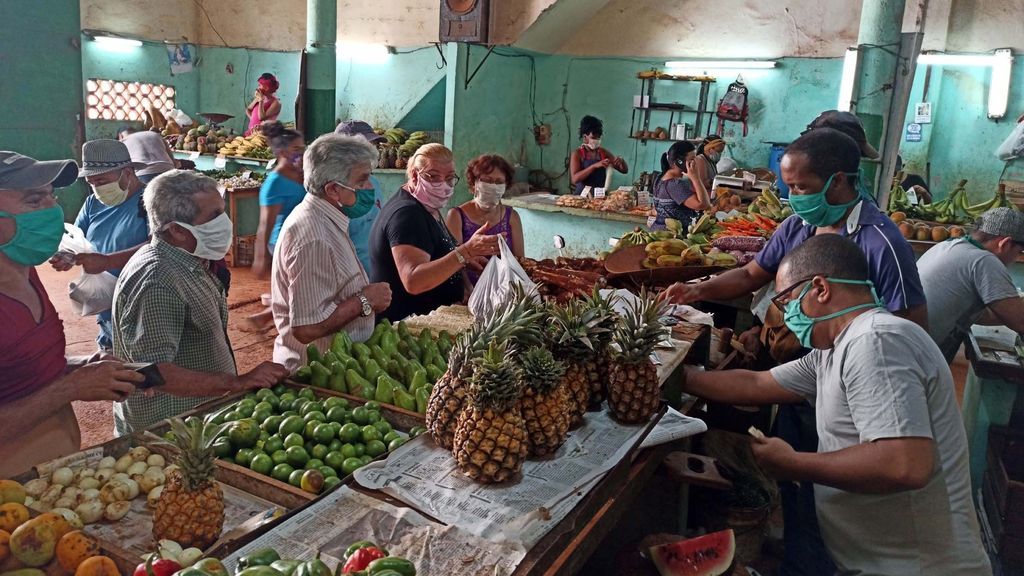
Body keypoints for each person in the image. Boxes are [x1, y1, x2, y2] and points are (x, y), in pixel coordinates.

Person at [665, 128, 927, 576]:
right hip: (810, 373)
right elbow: (752, 279)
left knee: (835, 492)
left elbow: (911, 332)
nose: (793, 198)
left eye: (801, 188)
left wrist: (859, 374)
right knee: (804, 497)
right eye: (788, 188)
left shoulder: (881, 249)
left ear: (840, 181)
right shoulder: (801, 225)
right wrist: (696, 294)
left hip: (862, 397)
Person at [679, 234, 990, 575]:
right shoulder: (835, 349)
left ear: (821, 289)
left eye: (787, 302)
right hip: (876, 560)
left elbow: (905, 464)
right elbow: (756, 383)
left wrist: (795, 464)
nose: (785, 316)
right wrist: (683, 377)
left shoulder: (876, 342)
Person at [0, 151, 147, 476]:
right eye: (35, 200)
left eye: (52, 196)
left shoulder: (23, 271)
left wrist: (78, 367)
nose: (53, 209)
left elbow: (16, 371)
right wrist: (69, 388)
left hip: (50, 478)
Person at [112, 170, 288, 435]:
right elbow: (152, 372)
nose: (225, 222)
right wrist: (239, 382)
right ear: (177, 231)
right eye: (214, 217)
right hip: (171, 429)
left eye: (223, 211)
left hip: (199, 418)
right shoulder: (158, 279)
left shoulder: (191, 261)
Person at [271, 134, 392, 371]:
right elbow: (307, 328)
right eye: (362, 180)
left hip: (339, 364)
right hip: (317, 373)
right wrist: (365, 301)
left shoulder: (329, 219)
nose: (370, 188)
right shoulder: (313, 237)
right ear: (334, 189)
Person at [369, 143, 499, 322]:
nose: (443, 185)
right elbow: (413, 280)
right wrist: (465, 252)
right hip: (407, 330)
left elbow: (434, 253)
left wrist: (463, 263)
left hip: (432, 324)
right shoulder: (407, 215)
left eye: (450, 178)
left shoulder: (429, 207)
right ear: (415, 175)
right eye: (434, 177)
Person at [50, 139, 151, 352]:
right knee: (113, 356)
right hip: (109, 306)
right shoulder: (92, 204)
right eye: (92, 183)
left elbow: (159, 245)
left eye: (103, 181)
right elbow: (77, 238)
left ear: (128, 172)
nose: (98, 189)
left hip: (146, 299)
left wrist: (108, 261)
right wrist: (68, 254)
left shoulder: (152, 201)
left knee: (146, 361)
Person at [917, 207, 1024, 362]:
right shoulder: (984, 261)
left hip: (904, 345)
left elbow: (982, 316)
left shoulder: (949, 245)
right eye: (1019, 252)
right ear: (1005, 243)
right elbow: (1020, 322)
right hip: (917, 355)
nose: (1016, 259)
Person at [445, 153, 524, 290]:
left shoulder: (512, 217)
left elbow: (520, 262)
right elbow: (453, 263)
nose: (492, 186)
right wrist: (467, 289)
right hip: (467, 292)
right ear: (474, 183)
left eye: (499, 182)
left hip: (504, 291)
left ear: (505, 186)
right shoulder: (456, 216)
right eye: (487, 180)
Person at [252, 122, 305, 279]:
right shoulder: (274, 183)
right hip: (283, 243)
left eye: (303, 149)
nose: (301, 154)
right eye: (296, 150)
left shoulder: (304, 174)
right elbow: (265, 224)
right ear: (282, 153)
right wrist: (261, 259)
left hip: (304, 238)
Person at [334, 120, 386, 273]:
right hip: (350, 276)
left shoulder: (373, 183)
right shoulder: (336, 190)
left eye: (374, 146)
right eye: (365, 147)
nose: (373, 152)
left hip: (375, 272)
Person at [651, 141, 711, 229]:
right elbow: (703, 205)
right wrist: (696, 178)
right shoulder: (674, 184)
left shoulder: (661, 176)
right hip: (670, 236)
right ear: (679, 161)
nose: (695, 162)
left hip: (659, 230)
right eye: (692, 159)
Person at [569, 115, 628, 194]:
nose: (596, 140)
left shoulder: (603, 153)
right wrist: (594, 166)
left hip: (600, 196)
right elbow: (575, 179)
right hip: (582, 195)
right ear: (585, 137)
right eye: (593, 137)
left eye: (598, 138)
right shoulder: (578, 154)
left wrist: (622, 161)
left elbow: (624, 170)